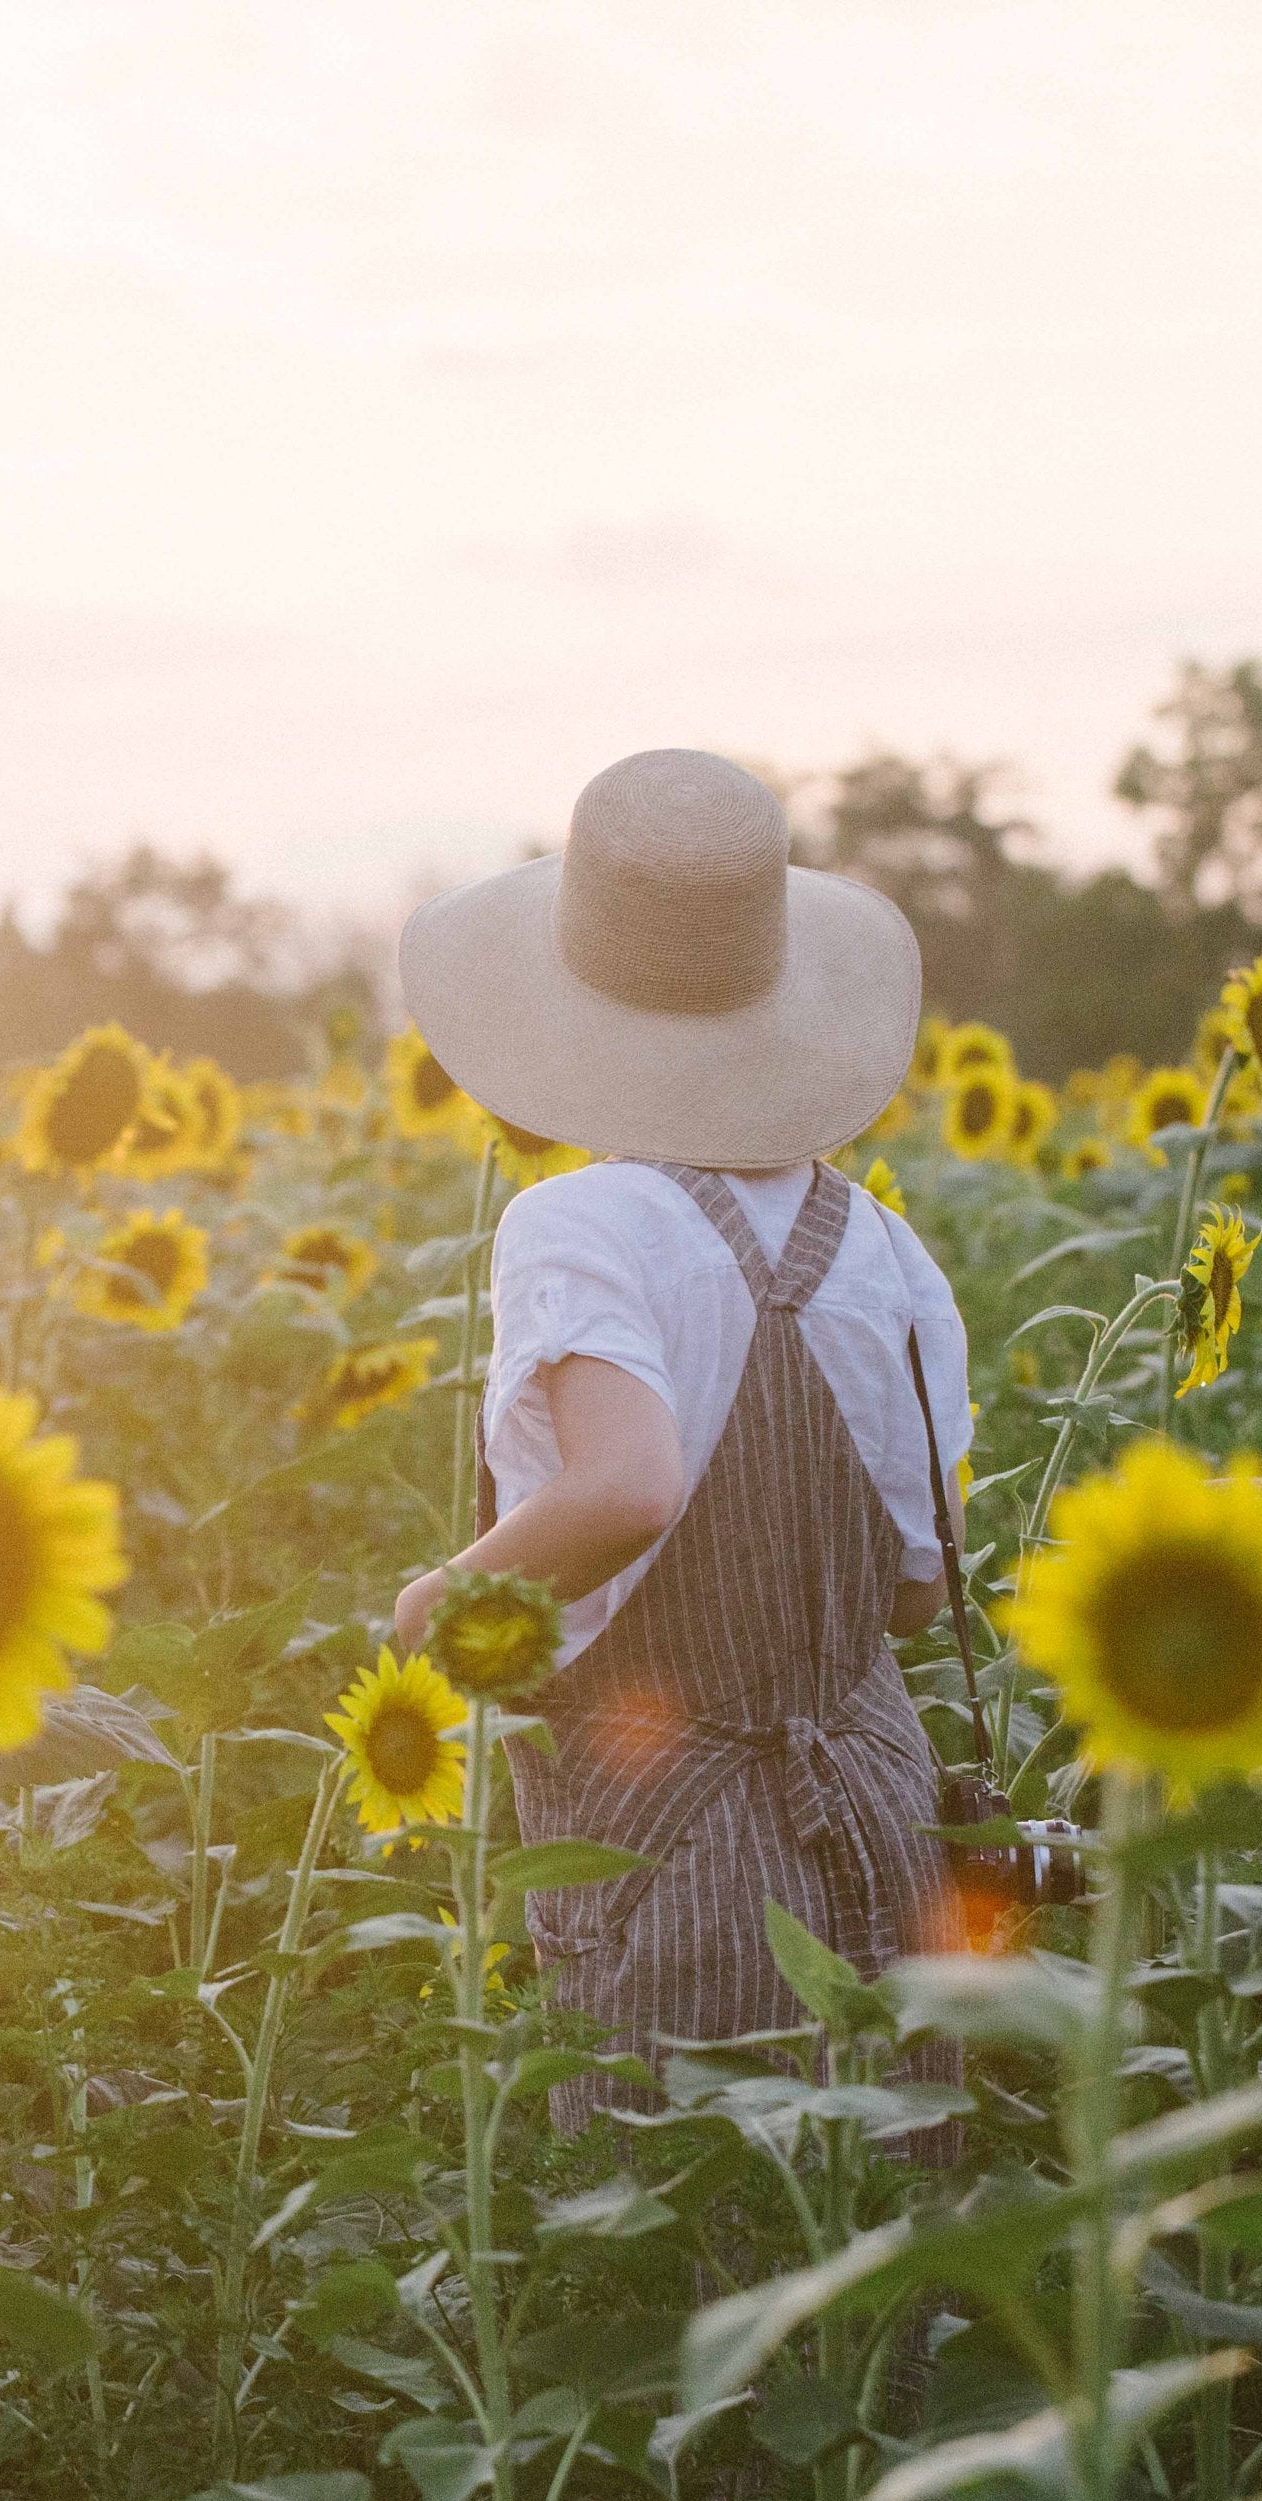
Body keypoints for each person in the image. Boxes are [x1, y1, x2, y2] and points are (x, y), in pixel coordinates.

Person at [389, 747, 970, 2118]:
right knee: (876, 2260)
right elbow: (920, 1584)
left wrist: (433, 1604)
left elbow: (630, 1484)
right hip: (884, 1831)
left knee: (673, 2257)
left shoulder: (579, 1221)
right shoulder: (887, 1250)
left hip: (670, 1844)